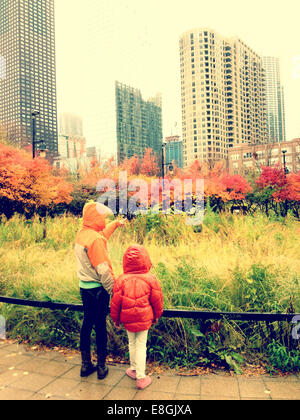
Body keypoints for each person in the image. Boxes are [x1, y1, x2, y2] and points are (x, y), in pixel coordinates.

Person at [74, 201, 125, 380]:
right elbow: (103, 270)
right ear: (96, 217)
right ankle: (102, 367)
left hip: (84, 288)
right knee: (100, 326)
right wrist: (114, 291)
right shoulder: (95, 240)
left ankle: (85, 365)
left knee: (87, 325)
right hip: (98, 290)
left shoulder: (83, 234)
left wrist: (115, 224)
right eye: (103, 217)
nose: (105, 219)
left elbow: (101, 235)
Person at [110, 244, 164, 390]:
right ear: (145, 260)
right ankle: (141, 377)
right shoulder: (150, 279)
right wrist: (157, 315)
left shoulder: (121, 280)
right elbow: (157, 300)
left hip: (127, 318)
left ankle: (133, 369)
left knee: (132, 343)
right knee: (141, 345)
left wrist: (116, 319)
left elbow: (115, 303)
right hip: (144, 317)